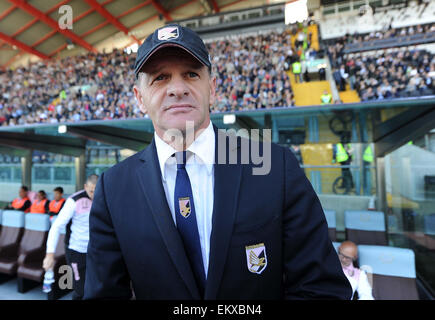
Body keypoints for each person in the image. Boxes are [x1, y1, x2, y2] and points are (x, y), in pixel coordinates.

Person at [84, 24, 352, 300]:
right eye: (160, 78)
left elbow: (322, 288)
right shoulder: (114, 188)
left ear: (212, 89)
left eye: (191, 74)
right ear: (140, 98)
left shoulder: (275, 166)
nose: (177, 88)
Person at [43, 175, 98, 300]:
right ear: (85, 187)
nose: (94, 195)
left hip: (95, 251)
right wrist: (50, 254)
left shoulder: (102, 197)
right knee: (80, 290)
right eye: (91, 191)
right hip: (77, 251)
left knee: (95, 287)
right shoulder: (74, 201)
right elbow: (56, 227)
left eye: (97, 191)